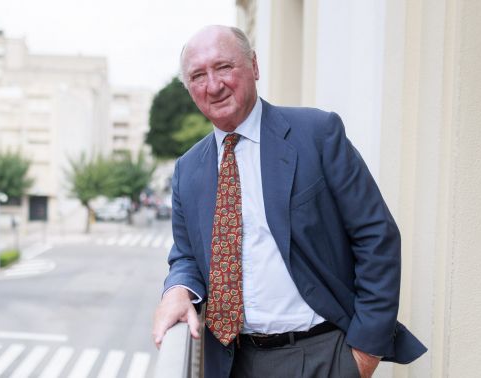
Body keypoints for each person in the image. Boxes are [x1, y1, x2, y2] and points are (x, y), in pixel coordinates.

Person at [152, 25, 426, 378]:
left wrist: (364, 352)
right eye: (198, 76)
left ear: (254, 66)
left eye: (223, 67)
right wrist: (176, 291)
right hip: (231, 362)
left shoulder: (317, 134)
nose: (213, 85)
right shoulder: (188, 169)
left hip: (321, 354)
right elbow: (187, 255)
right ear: (189, 89)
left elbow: (377, 235)